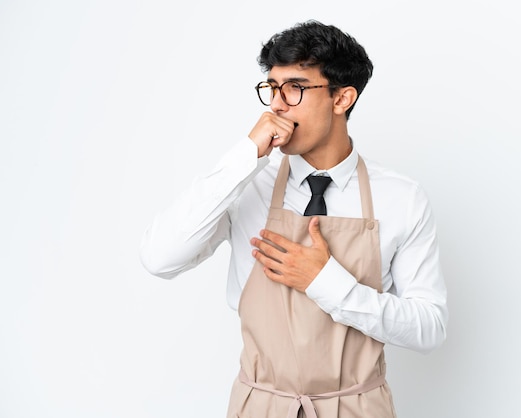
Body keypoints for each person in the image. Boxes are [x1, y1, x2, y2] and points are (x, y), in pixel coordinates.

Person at [140, 20, 447, 418]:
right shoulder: (246, 183)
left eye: (295, 88)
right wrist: (244, 158)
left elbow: (429, 328)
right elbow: (159, 258)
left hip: (358, 407)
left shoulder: (402, 198)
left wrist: (327, 282)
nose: (277, 105)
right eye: (272, 87)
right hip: (260, 407)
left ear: (342, 99)